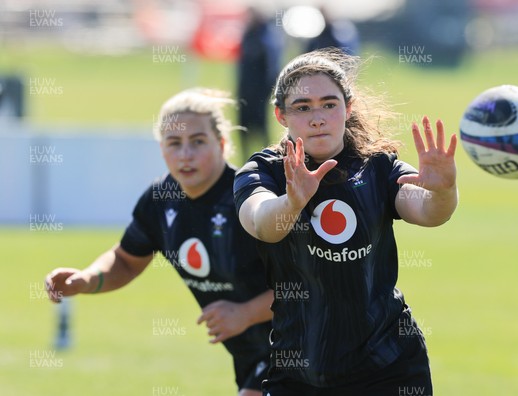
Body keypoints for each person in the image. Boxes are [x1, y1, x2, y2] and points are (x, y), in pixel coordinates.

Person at [233, 49, 458, 395]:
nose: (318, 118)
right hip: (300, 371)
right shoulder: (264, 172)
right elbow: (262, 224)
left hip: (389, 367)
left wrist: (444, 190)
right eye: (303, 107)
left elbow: (429, 212)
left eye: (329, 104)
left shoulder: (378, 167)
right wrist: (293, 201)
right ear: (280, 115)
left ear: (347, 108)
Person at [45, 88, 273, 396]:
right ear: (162, 149)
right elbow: (126, 260)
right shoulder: (159, 201)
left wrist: (245, 313)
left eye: (198, 142)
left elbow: (309, 286)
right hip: (251, 355)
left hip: (303, 344)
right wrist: (85, 280)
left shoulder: (249, 200)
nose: (185, 154)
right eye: (174, 143)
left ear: (221, 144)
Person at [237, 7, 282, 160]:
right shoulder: (247, 35)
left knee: (261, 128)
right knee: (243, 128)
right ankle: (245, 159)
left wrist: (267, 91)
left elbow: (272, 67)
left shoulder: (267, 37)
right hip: (244, 91)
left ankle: (268, 158)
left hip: (260, 92)